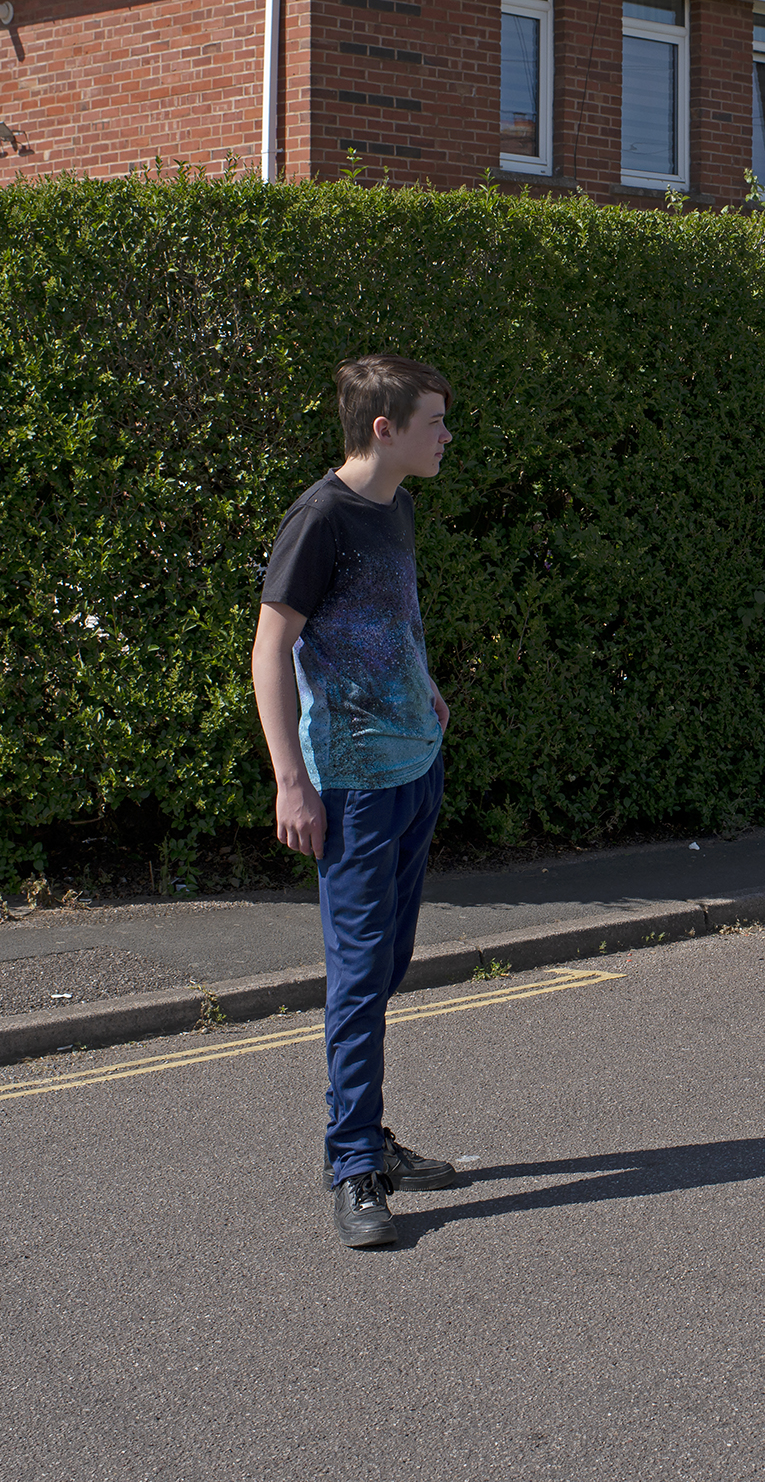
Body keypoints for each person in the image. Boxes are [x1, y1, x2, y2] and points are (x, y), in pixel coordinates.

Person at [251, 354, 463, 1246]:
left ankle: (370, 1134)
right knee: (358, 972)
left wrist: (427, 685)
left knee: (387, 965)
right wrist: (290, 780)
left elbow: (390, 619)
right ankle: (352, 1165)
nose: (447, 436)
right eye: (434, 422)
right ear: (385, 428)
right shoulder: (321, 517)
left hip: (415, 762)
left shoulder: (396, 505)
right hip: (353, 782)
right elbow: (270, 650)